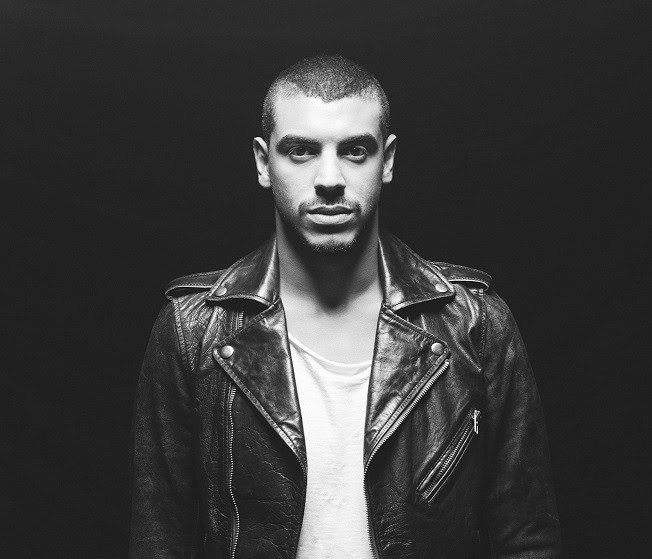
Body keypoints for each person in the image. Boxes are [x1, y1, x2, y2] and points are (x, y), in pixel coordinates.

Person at [130, 55, 562, 558]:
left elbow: (527, 539)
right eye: (301, 151)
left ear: (388, 160)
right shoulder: (192, 331)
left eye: (356, 150)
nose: (330, 178)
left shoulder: (475, 324)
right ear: (263, 163)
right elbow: (159, 542)